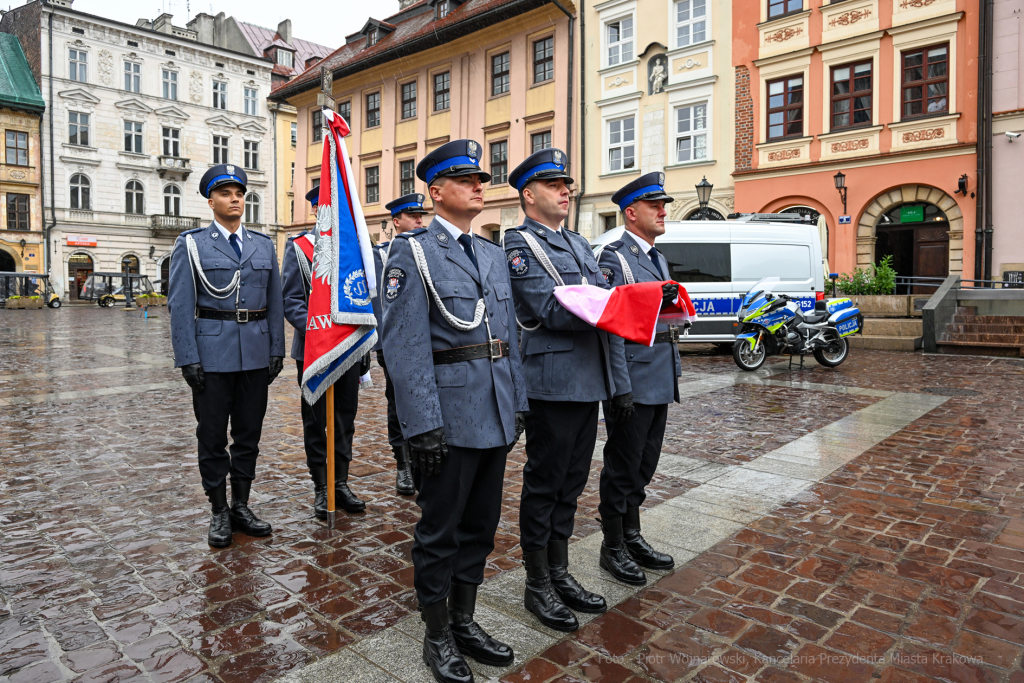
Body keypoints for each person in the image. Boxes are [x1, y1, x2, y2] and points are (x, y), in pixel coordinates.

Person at [381, 140, 528, 683]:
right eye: (467, 179)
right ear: (436, 191)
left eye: (482, 179)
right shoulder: (412, 251)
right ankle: (437, 633)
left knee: (482, 527)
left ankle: (464, 620)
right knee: (440, 531)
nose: (479, 186)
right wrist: (421, 423)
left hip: (492, 411)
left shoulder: (491, 253)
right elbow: (404, 344)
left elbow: (508, 336)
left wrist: (519, 407)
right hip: (447, 415)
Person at [503, 148, 634, 633]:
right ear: (529, 194)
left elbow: (603, 310)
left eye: (568, 184)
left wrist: (618, 384)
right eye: (555, 185)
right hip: (552, 383)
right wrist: (617, 305)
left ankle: (559, 571)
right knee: (545, 483)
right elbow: (547, 309)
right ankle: (538, 581)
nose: (566, 191)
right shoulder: (519, 246)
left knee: (572, 484)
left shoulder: (578, 243)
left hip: (589, 380)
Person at [168, 164, 285, 548]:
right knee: (213, 436)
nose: (235, 199)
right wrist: (188, 357)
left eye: (239, 193)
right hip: (212, 354)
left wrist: (276, 351)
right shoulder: (191, 244)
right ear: (211, 200)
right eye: (225, 193)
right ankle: (218, 509)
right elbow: (180, 304)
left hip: (255, 352)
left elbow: (274, 302)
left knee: (249, 436)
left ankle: (241, 505)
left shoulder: (263, 245)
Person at [598, 171, 683, 584]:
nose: (663, 211)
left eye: (663, 204)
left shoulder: (656, 257)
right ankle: (612, 545)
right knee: (623, 465)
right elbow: (612, 324)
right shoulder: (614, 258)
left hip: (659, 375)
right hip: (633, 376)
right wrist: (619, 385)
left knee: (645, 464)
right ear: (631, 213)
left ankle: (632, 535)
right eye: (655, 205)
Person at [280, 185, 370, 518]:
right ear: (317, 210)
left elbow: (362, 297)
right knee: (316, 422)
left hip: (347, 350)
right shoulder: (299, 247)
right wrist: (321, 332)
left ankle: (341, 482)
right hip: (314, 351)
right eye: (325, 207)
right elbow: (290, 300)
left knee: (345, 419)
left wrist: (363, 346)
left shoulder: (353, 247)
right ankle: (321, 485)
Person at [372, 193, 430, 496]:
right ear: (397, 222)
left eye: (421, 215)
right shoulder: (381, 254)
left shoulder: (432, 251)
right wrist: (382, 344)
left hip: (429, 343)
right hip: (394, 343)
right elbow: (376, 301)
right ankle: (403, 463)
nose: (420, 220)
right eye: (412, 216)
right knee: (399, 403)